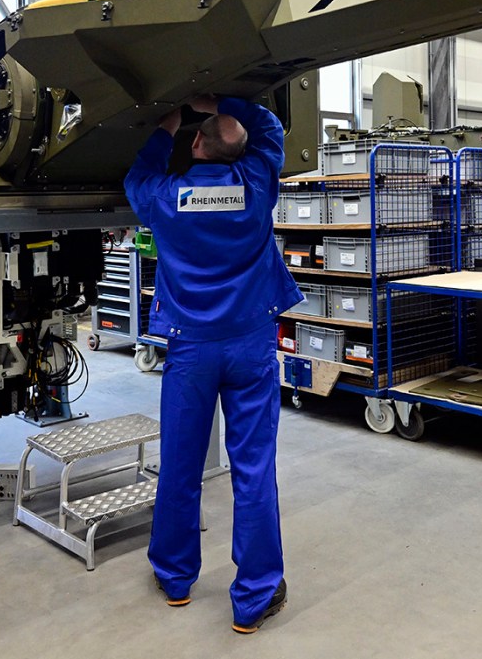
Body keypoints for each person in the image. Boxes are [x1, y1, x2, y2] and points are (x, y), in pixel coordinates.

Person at [124, 94, 301, 634]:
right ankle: (253, 598)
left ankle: (176, 579)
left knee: (180, 465)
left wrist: (168, 125)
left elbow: (137, 177)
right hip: (250, 344)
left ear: (195, 144)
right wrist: (223, 103)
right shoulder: (257, 184)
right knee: (252, 469)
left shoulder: (165, 197)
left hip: (190, 350)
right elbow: (270, 129)